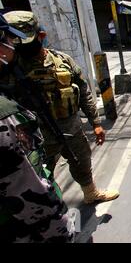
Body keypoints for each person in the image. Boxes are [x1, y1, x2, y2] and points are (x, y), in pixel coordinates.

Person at [3, 11, 119, 204]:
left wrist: (96, 122)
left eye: (27, 41)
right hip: (34, 137)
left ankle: (91, 194)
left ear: (41, 36)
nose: (22, 48)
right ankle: (51, 208)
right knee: (39, 175)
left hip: (70, 128)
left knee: (82, 162)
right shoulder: (9, 69)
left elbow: (83, 91)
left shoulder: (63, 61)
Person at [0, 13, 73, 243]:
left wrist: (96, 122)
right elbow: (28, 189)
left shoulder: (60, 60)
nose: (14, 47)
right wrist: (64, 231)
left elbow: (81, 87)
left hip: (62, 128)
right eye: (10, 40)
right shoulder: (7, 114)